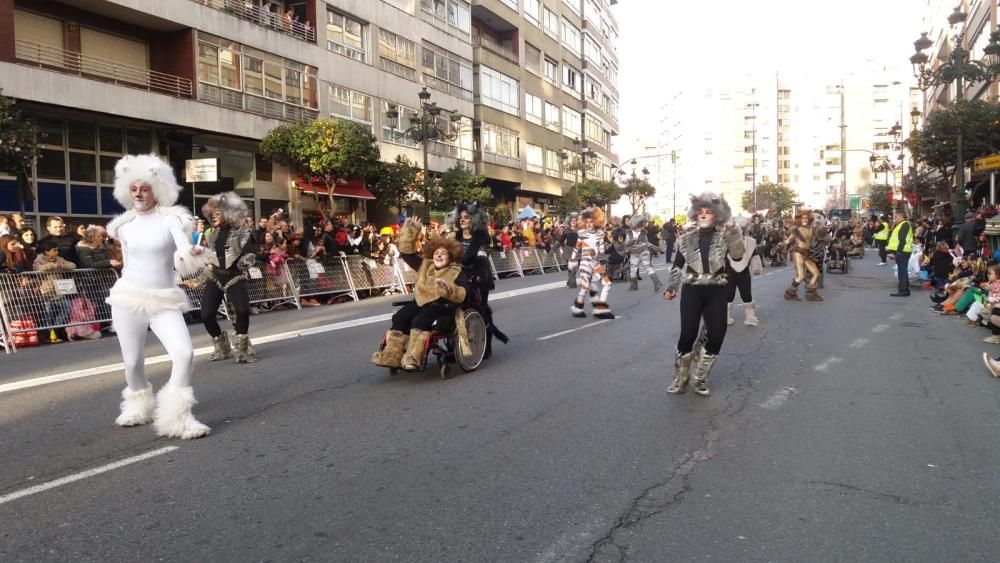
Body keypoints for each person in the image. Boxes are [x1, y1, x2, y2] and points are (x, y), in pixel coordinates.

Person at [105, 154, 211, 440]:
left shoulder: (171, 220)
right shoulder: (123, 227)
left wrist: (192, 253)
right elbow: (128, 263)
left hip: (164, 299)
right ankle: (138, 407)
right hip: (128, 298)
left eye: (145, 187)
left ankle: (178, 417)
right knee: (132, 362)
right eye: (134, 188)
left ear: (157, 189)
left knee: (184, 353)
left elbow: (181, 250)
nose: (139, 193)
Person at [663, 192, 745, 397]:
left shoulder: (725, 235)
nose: (703, 215)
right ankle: (681, 378)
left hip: (717, 290)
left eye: (708, 212)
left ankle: (700, 377)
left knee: (717, 335)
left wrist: (734, 232)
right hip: (693, 290)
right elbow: (677, 265)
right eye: (700, 212)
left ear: (717, 215)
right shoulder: (686, 239)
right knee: (687, 335)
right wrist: (671, 287)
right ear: (694, 215)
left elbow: (738, 256)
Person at [371, 217, 469, 371]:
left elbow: (463, 293)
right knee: (400, 318)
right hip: (420, 301)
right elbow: (407, 254)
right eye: (436, 253)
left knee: (419, 321)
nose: (439, 255)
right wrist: (411, 231)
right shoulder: (425, 265)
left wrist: (448, 289)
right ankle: (392, 355)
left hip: (441, 305)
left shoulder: (456, 271)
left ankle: (413, 357)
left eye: (443, 254)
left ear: (450, 257)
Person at [195, 192, 257, 363]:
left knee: (242, 312)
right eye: (211, 214)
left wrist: (244, 263)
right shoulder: (210, 234)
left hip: (235, 277)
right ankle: (223, 349)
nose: (213, 217)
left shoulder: (242, 233)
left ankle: (243, 350)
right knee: (206, 315)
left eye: (218, 213)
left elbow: (251, 255)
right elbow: (210, 257)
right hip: (215, 277)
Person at [449, 202, 507, 359]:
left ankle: (486, 345)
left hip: (478, 278)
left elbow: (482, 259)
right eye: (460, 218)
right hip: (458, 277)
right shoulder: (455, 237)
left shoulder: (481, 238)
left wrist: (479, 276)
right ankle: (453, 344)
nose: (462, 220)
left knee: (481, 312)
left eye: (466, 218)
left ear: (473, 220)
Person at [570, 207, 615, 319]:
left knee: (607, 284)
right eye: (587, 222)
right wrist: (572, 260)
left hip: (596, 263)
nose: (589, 224)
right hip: (585, 263)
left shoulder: (600, 234)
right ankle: (578, 308)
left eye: (592, 221)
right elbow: (576, 248)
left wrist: (606, 246)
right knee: (585, 287)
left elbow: (601, 252)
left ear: (596, 221)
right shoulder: (582, 233)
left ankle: (600, 309)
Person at [726, 219, 762, 326]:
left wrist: (756, 268)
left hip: (744, 274)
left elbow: (755, 256)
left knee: (746, 294)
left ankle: (750, 317)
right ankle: (725, 316)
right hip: (728, 273)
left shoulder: (750, 242)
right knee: (728, 295)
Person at [783, 209, 823, 302]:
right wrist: (780, 246)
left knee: (816, 273)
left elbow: (818, 238)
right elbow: (788, 241)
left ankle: (811, 294)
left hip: (808, 254)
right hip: (798, 253)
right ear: (800, 219)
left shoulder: (812, 229)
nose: (805, 220)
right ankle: (790, 293)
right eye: (803, 218)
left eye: (806, 218)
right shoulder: (797, 229)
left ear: (809, 219)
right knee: (801, 276)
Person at [624, 213, 663, 292]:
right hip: (634, 252)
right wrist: (632, 241)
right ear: (634, 225)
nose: (640, 228)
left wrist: (655, 248)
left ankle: (657, 284)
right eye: (639, 226)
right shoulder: (629, 233)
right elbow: (626, 243)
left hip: (644, 251)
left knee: (648, 268)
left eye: (641, 226)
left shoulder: (644, 232)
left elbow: (647, 243)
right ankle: (633, 285)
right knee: (633, 269)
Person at [886, 209, 913, 297]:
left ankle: (903, 290)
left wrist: (898, 252)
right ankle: (905, 288)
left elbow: (902, 240)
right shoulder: (903, 224)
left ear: (901, 216)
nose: (895, 219)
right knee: (902, 270)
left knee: (902, 271)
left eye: (896, 217)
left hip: (903, 251)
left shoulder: (904, 224)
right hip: (904, 251)